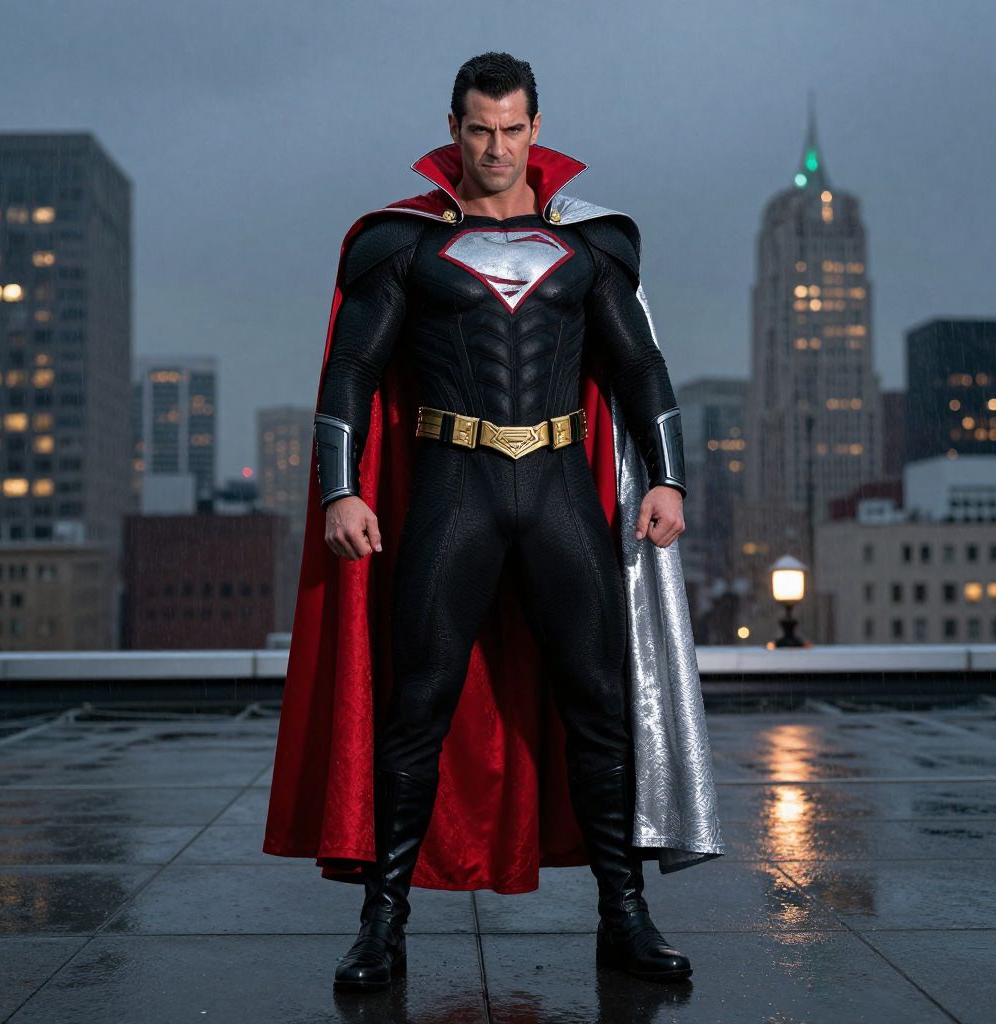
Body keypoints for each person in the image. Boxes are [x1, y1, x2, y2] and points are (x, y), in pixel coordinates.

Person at [262, 51, 725, 993]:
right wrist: (340, 489)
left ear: (536, 130)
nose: (498, 147)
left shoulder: (592, 246)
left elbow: (640, 369)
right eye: (481, 129)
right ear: (454, 128)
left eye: (514, 129)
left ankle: (624, 916)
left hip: (558, 487)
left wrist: (669, 480)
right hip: (452, 487)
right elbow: (351, 369)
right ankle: (381, 925)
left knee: (600, 707)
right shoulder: (404, 246)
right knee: (416, 707)